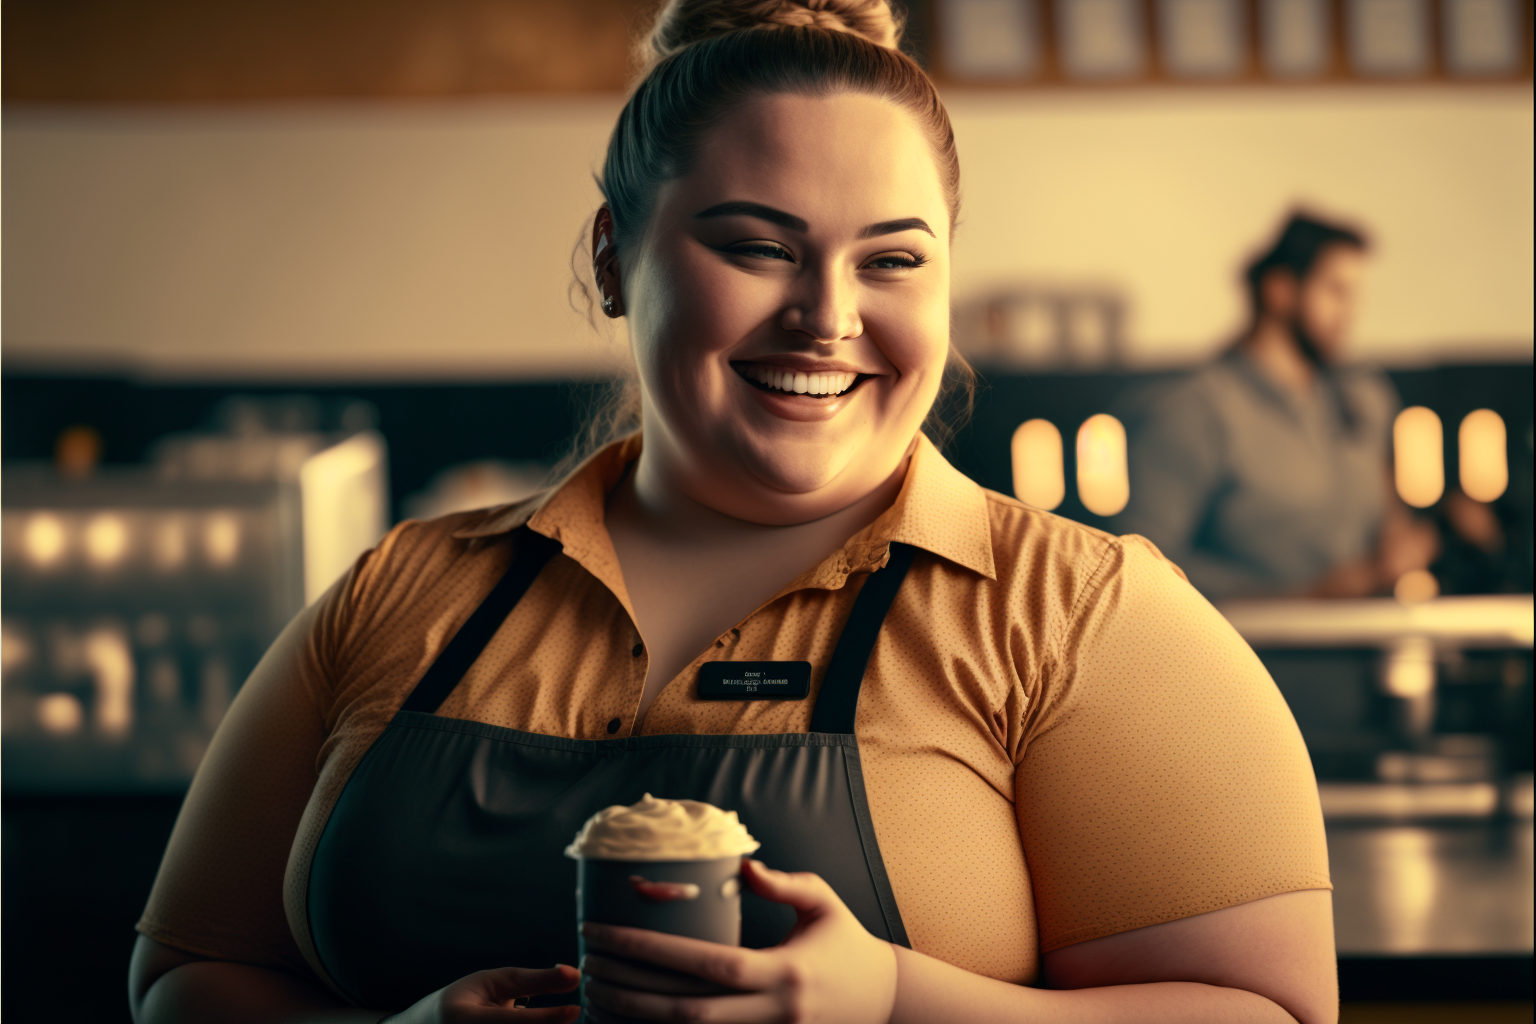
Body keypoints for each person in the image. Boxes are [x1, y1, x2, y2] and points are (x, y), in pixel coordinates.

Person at [128, 3, 1337, 1023]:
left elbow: (1272, 1013)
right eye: (758, 247)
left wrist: (896, 998)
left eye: (892, 260)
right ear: (615, 258)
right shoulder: (405, 590)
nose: (829, 317)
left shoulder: (1080, 619)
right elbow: (184, 977)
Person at [1116, 212, 1438, 600]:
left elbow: (1388, 516)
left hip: (1374, 632)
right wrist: (1301, 597)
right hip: (1249, 638)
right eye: (1337, 291)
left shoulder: (1364, 397)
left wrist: (1404, 545)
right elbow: (1144, 569)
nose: (1351, 311)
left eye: (1355, 294)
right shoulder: (1195, 411)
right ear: (1279, 290)